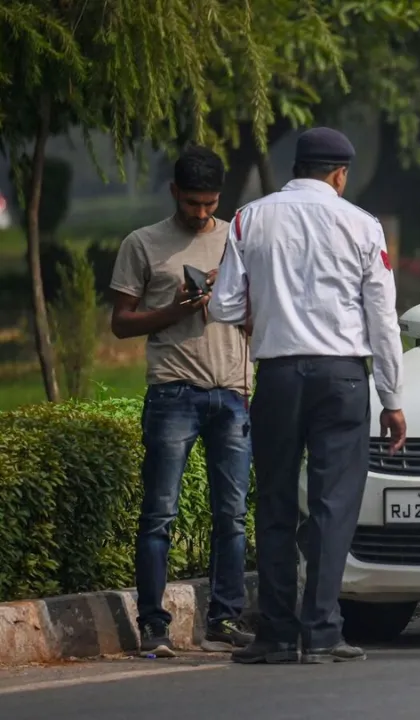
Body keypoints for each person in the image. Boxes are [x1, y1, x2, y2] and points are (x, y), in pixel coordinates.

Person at [208, 127, 407, 664]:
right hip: (342, 378)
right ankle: (322, 629)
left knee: (273, 500)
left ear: (297, 166)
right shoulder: (363, 225)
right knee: (332, 505)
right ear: (340, 173)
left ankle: (275, 632)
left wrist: (266, 310)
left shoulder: (251, 217)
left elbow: (223, 306)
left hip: (276, 375)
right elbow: (382, 319)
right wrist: (391, 396)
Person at [108, 145, 255, 657]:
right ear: (174, 193)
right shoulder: (143, 244)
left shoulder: (238, 238)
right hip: (173, 390)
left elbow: (257, 315)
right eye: (193, 203)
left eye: (209, 204)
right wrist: (175, 309)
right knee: (160, 514)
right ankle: (153, 625)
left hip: (232, 393)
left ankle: (225, 619)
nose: (201, 214)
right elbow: (121, 322)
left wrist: (229, 298)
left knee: (232, 515)